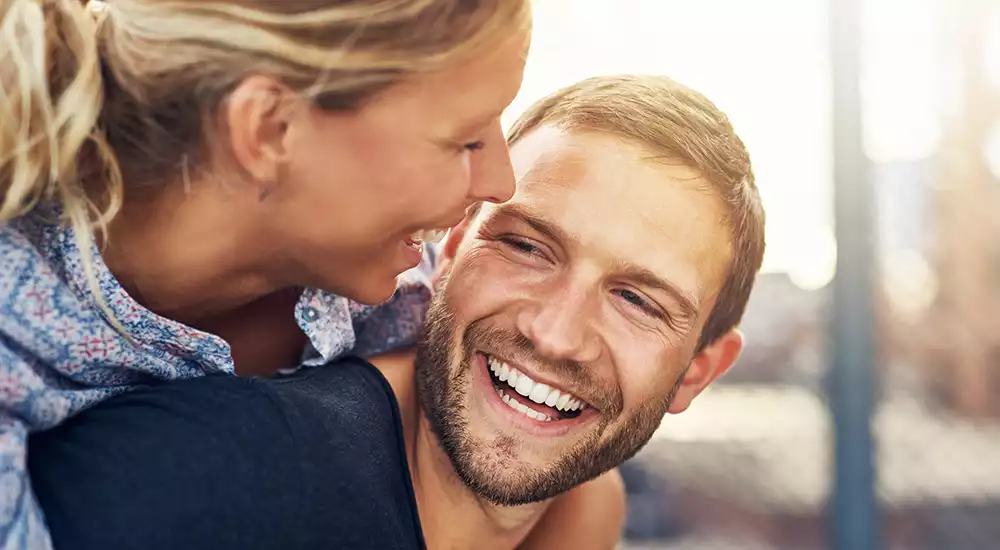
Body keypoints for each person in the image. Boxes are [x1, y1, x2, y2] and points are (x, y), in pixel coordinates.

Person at [28, 75, 767, 549]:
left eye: (635, 300)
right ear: (450, 246)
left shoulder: (579, 506)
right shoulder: (195, 482)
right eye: (528, 248)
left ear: (697, 371)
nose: (555, 332)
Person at [0, 0, 531, 547]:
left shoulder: (387, 285)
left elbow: (576, 484)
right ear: (269, 129)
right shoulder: (14, 334)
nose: (501, 181)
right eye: (465, 140)